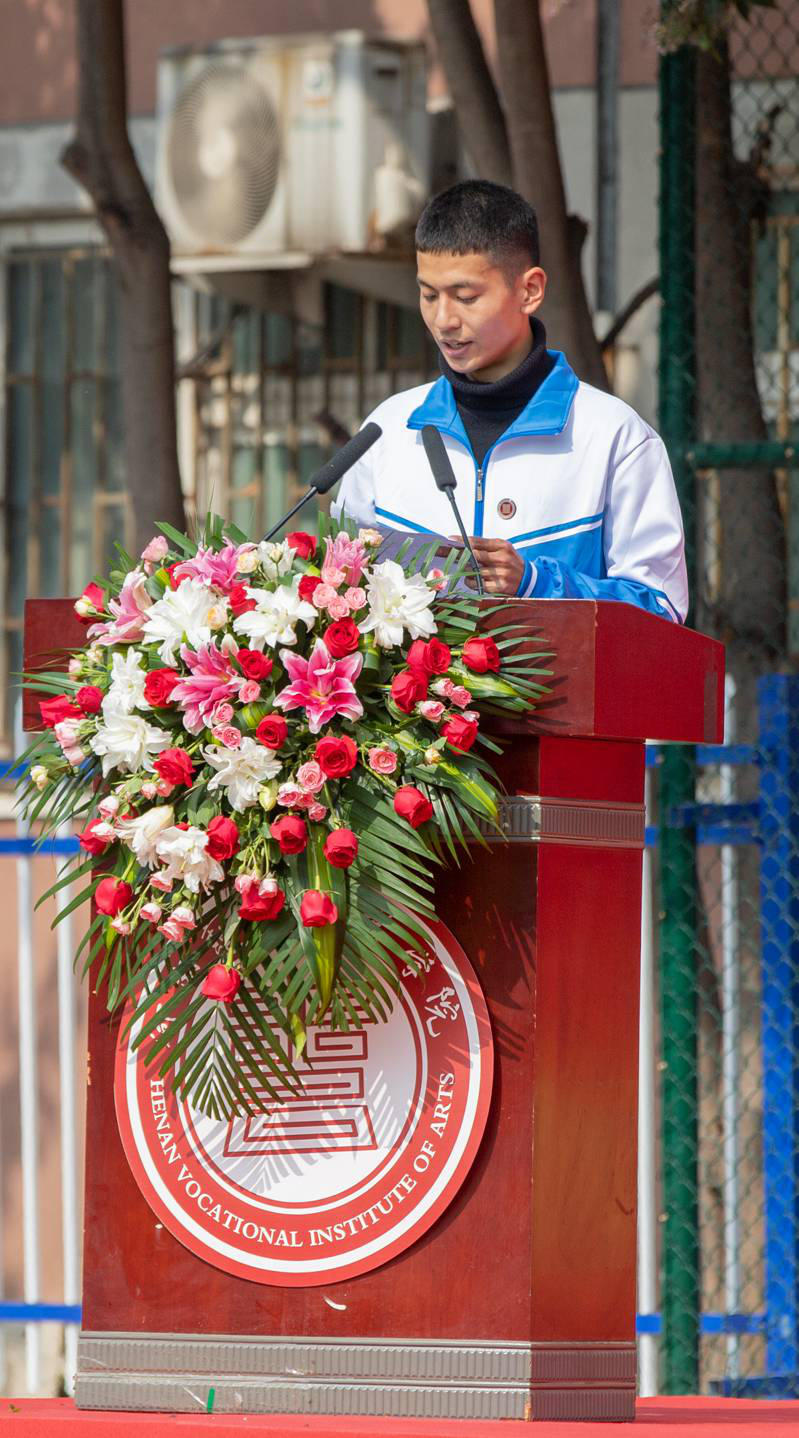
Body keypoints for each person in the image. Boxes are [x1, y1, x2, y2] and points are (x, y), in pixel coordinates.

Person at [332, 179, 688, 621]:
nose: (443, 320)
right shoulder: (387, 429)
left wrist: (537, 583)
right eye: (428, 295)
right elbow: (340, 585)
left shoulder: (614, 435)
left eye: (466, 297)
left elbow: (660, 609)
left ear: (530, 291)